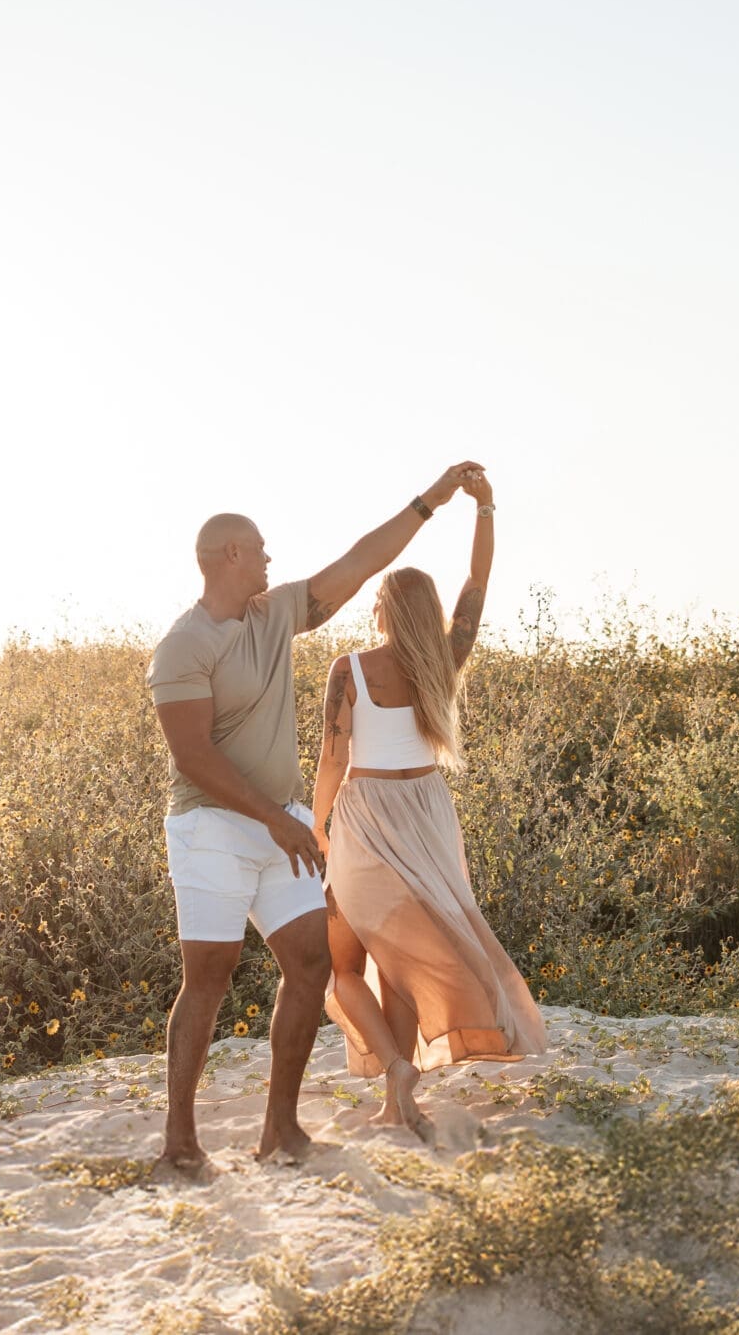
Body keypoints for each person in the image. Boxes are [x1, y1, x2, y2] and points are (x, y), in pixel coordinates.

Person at [146, 461, 485, 1172]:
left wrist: (433, 499)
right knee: (208, 975)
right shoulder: (183, 646)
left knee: (308, 966)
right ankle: (179, 1143)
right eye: (261, 548)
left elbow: (361, 561)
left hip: (283, 826)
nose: (272, 556)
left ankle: (281, 1130)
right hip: (212, 828)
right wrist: (275, 817)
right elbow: (193, 756)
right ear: (230, 556)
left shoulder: (277, 614)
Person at [314, 466, 543, 1138]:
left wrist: (316, 825)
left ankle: (396, 1079)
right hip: (427, 812)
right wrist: (486, 509)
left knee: (350, 961)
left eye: (376, 602)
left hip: (365, 814)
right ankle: (399, 1088)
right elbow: (477, 586)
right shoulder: (448, 658)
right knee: (405, 955)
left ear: (384, 610)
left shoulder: (349, 669)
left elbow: (331, 757)